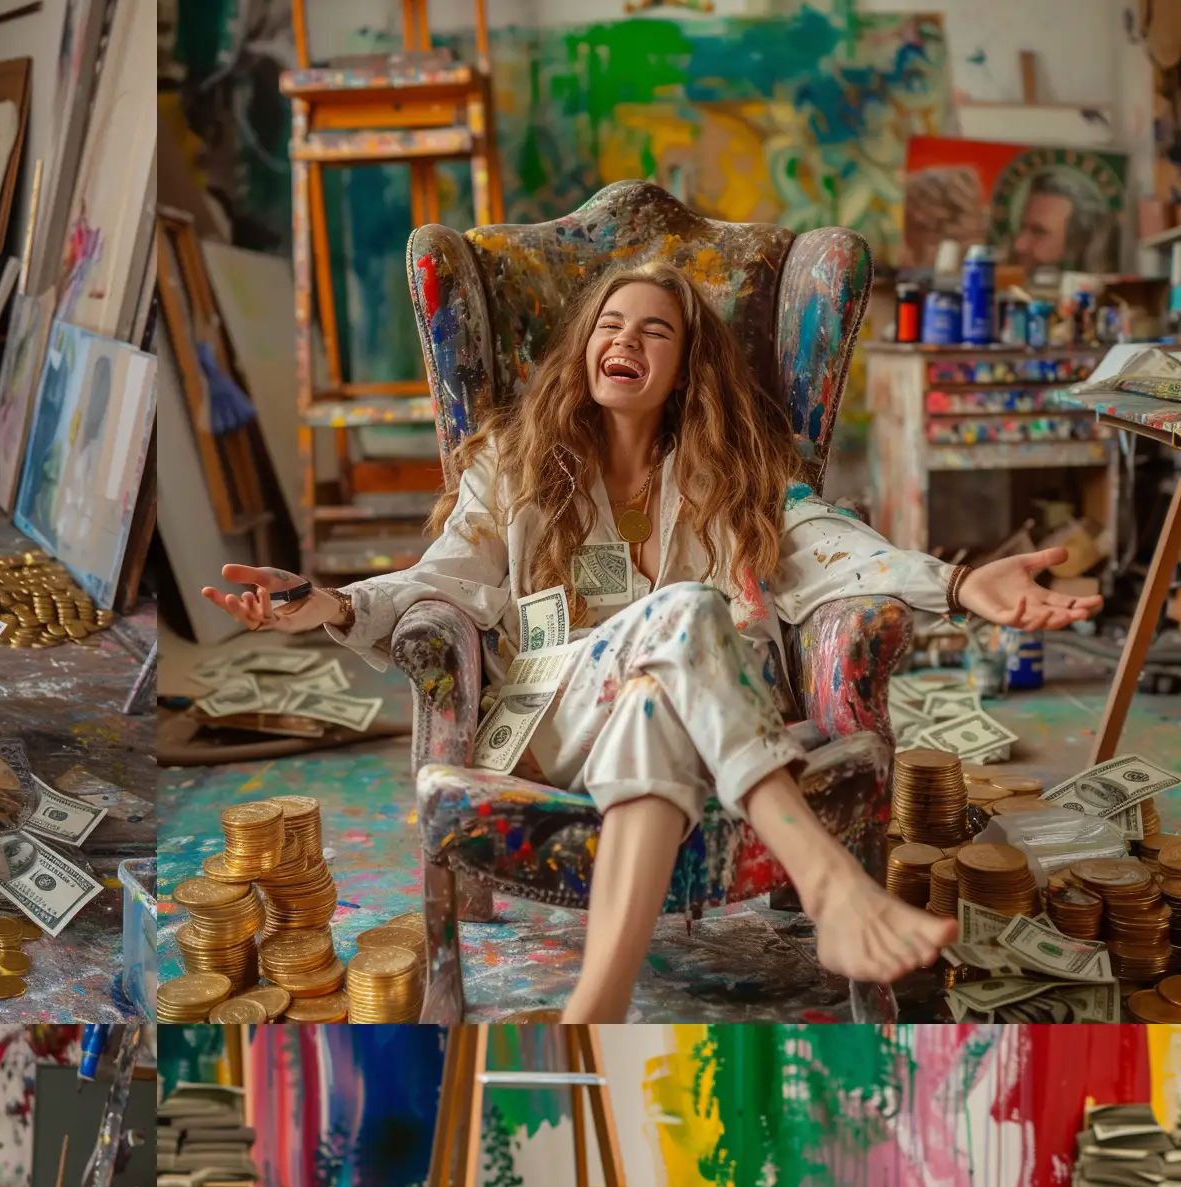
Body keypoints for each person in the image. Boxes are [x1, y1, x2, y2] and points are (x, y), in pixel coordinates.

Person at [204, 266, 1100, 1022]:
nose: (624, 339)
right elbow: (438, 583)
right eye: (610, 322)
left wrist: (958, 583)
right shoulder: (512, 464)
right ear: (588, 344)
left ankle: (595, 1007)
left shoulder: (738, 475)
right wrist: (322, 605)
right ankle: (826, 880)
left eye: (656, 330)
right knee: (686, 612)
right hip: (554, 718)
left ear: (688, 364)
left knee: (657, 695)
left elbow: (836, 547)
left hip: (696, 732)